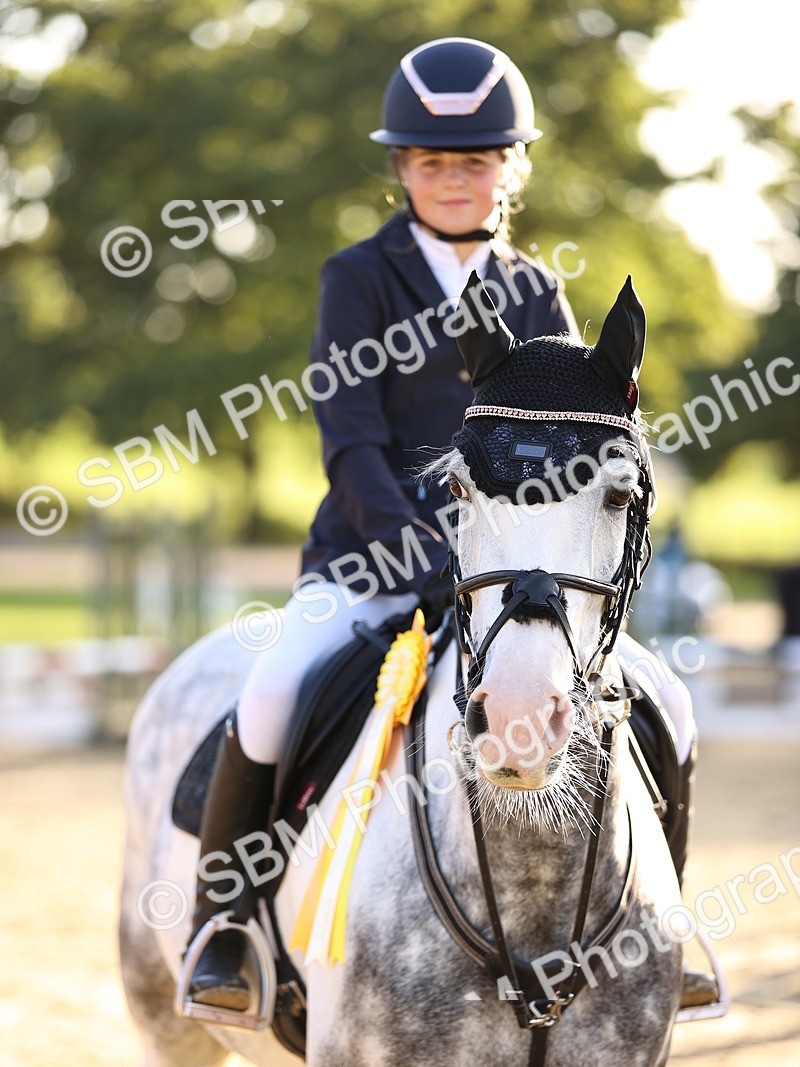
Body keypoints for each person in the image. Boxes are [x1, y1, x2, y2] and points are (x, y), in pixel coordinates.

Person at [182, 37, 704, 1015]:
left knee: (662, 700)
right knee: (270, 689)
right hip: (372, 558)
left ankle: (659, 928)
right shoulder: (357, 278)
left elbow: (562, 451)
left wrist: (508, 562)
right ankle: (226, 924)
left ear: (509, 167)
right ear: (401, 170)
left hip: (514, 573)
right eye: (431, 163)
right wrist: (427, 556)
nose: (453, 181)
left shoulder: (535, 291)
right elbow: (349, 442)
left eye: (473, 162)